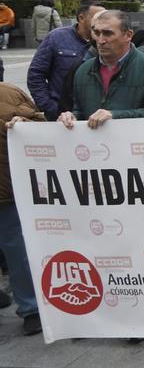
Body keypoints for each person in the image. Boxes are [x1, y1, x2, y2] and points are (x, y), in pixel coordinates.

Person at [58, 10, 144, 129]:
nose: (100, 40)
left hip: (135, 142)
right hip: (94, 144)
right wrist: (72, 117)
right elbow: (80, 110)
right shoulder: (83, 70)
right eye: (96, 33)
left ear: (128, 35)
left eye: (108, 33)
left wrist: (115, 116)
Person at [0, 84, 46, 336]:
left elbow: (41, 124)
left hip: (5, 194)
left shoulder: (8, 93)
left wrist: (24, 125)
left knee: (17, 254)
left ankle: (30, 309)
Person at [28, 1, 105, 120]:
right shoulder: (57, 37)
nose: (102, 22)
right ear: (81, 17)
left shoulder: (106, 42)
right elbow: (36, 74)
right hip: (61, 115)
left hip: (96, 116)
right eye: (97, 17)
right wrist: (49, 107)